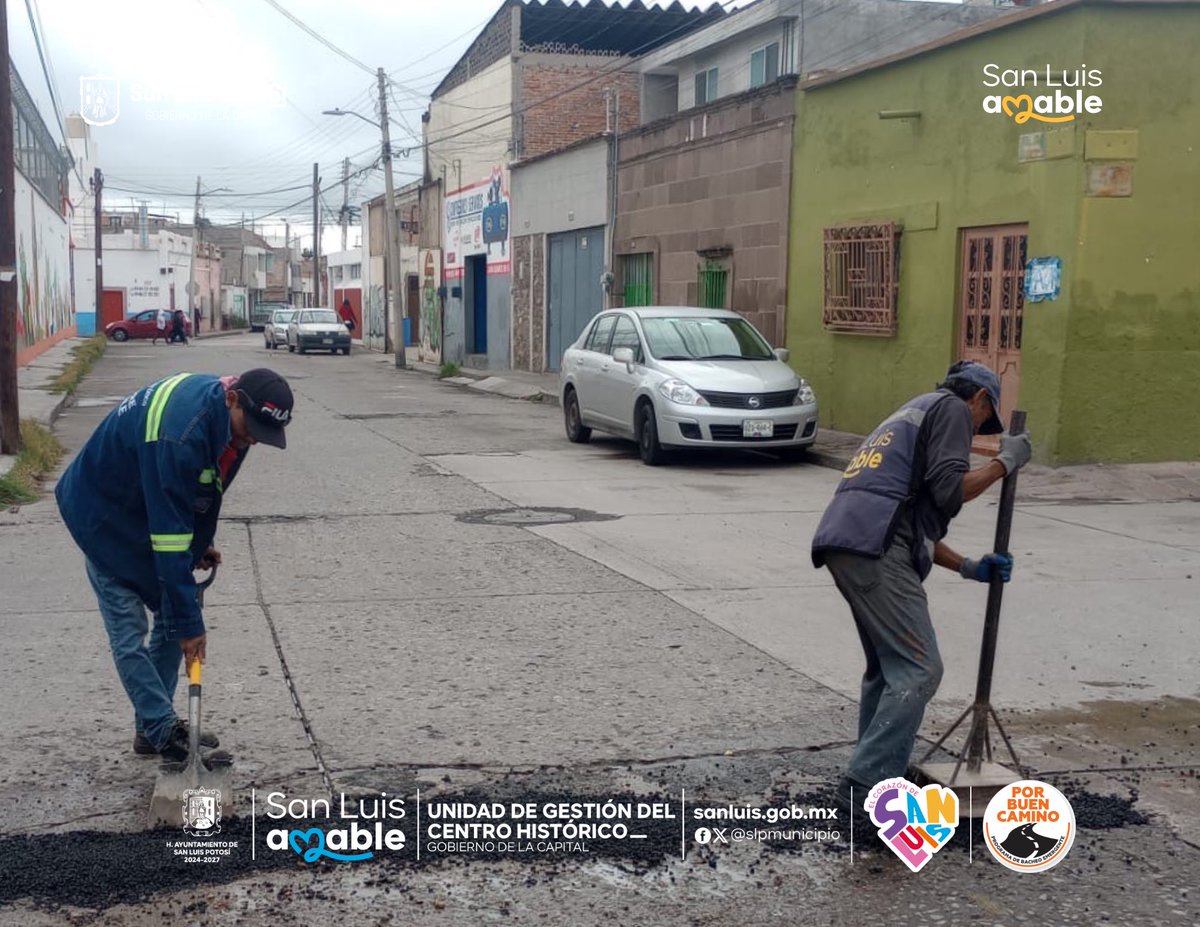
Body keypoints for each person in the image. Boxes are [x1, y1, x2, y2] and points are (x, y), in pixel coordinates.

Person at [810, 360, 1032, 807]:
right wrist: (1004, 463)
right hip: (876, 548)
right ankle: (866, 786)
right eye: (983, 423)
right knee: (919, 667)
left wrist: (969, 566)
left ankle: (868, 772)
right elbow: (951, 491)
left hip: (849, 543)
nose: (976, 433)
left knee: (887, 670)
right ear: (980, 400)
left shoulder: (915, 411)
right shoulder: (953, 410)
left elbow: (914, 522)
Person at [56, 369, 294, 761]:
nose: (253, 438)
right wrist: (191, 625)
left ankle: (151, 729)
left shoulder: (235, 423)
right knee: (131, 628)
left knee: (171, 615)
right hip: (103, 514)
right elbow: (169, 534)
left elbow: (202, 487)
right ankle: (162, 728)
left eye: (262, 433)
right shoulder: (180, 434)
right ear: (232, 398)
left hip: (146, 506)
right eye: (251, 428)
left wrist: (200, 543)